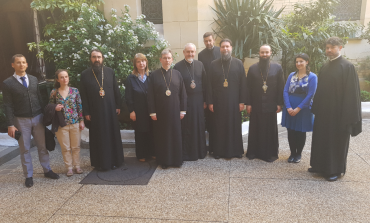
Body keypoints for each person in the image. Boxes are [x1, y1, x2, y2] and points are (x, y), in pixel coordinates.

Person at [309, 37, 362, 181]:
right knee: (321, 139)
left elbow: (351, 94)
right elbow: (320, 90)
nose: (329, 50)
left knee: (335, 141)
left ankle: (335, 170)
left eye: (332, 47)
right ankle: (319, 166)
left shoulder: (347, 67)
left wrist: (347, 116)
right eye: (327, 47)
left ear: (340, 47)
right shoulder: (325, 66)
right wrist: (316, 109)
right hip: (324, 113)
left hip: (339, 114)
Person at [2, 54, 59, 188]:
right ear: (13, 65)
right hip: (21, 120)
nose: (21, 65)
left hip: (38, 118)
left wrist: (45, 117)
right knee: (25, 149)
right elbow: (8, 105)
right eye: (18, 62)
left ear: (27, 64)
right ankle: (28, 176)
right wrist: (10, 124)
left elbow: (39, 98)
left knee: (42, 146)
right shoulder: (7, 83)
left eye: (23, 62)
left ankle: (47, 170)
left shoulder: (33, 79)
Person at [79, 49, 124, 171]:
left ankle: (115, 161)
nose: (97, 59)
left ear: (102, 58)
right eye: (94, 57)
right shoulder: (85, 74)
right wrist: (86, 112)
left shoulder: (109, 72)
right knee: (99, 137)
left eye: (99, 57)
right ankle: (100, 163)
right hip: (95, 112)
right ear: (90, 59)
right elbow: (83, 95)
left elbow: (116, 90)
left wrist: (118, 105)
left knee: (112, 134)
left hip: (110, 110)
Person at [206, 39, 247, 159]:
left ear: (231, 48)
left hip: (234, 102)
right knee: (219, 126)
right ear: (220, 49)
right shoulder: (214, 64)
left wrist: (242, 101)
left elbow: (243, 84)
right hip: (218, 102)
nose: (225, 49)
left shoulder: (238, 63)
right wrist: (210, 102)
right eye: (223, 47)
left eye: (227, 47)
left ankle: (236, 151)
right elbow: (209, 84)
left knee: (233, 125)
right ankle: (218, 151)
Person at [147, 49, 187, 169]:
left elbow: (183, 93)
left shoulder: (177, 74)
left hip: (175, 112)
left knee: (175, 136)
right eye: (164, 58)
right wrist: (152, 112)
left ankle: (176, 161)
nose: (167, 60)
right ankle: (164, 161)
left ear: (172, 60)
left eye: (169, 58)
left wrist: (183, 110)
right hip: (160, 113)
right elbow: (150, 95)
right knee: (162, 137)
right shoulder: (154, 75)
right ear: (161, 60)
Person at [245, 45, 285, 162]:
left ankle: (269, 154)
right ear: (259, 53)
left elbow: (280, 86)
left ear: (270, 53)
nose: (264, 55)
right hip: (256, 103)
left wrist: (279, 103)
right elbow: (248, 88)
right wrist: (249, 104)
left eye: (266, 52)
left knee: (269, 130)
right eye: (262, 52)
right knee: (255, 128)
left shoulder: (277, 68)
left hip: (271, 104)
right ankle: (254, 152)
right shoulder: (252, 68)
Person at [281, 54, 317, 163]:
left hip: (303, 108)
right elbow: (285, 91)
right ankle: (292, 153)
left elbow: (311, 94)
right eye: (297, 62)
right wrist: (288, 107)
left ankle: (298, 154)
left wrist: (298, 108)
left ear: (307, 62)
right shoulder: (292, 75)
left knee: (300, 131)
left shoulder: (312, 77)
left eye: (301, 61)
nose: (299, 64)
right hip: (289, 107)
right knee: (291, 131)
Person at [174, 43, 207, 161]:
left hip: (198, 101)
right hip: (185, 101)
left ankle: (200, 152)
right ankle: (187, 153)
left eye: (192, 51)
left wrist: (205, 101)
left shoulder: (200, 64)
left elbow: (205, 83)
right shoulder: (177, 67)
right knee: (187, 127)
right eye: (188, 52)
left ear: (195, 52)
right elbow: (176, 87)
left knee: (198, 126)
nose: (190, 54)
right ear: (184, 52)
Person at [49, 69, 85, 176]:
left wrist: (81, 120)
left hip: (74, 122)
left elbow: (79, 106)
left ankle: (77, 166)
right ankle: (69, 167)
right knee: (65, 148)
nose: (65, 79)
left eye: (66, 76)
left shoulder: (75, 91)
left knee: (76, 147)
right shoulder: (54, 92)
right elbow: (50, 107)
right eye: (62, 77)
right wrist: (55, 108)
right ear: (57, 79)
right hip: (61, 124)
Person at [125, 53, 155, 162]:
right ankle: (141, 154)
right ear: (135, 64)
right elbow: (128, 96)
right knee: (140, 132)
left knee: (151, 132)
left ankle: (152, 152)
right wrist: (131, 111)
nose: (141, 63)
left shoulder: (151, 76)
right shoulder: (131, 78)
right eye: (138, 61)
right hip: (138, 111)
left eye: (143, 61)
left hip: (151, 110)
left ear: (146, 62)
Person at [198, 32, 221, 154]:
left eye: (210, 40)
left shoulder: (220, 51)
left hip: (221, 92)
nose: (208, 43)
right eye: (206, 41)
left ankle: (220, 145)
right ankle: (211, 147)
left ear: (214, 40)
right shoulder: (201, 55)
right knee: (211, 121)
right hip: (208, 91)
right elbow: (203, 76)